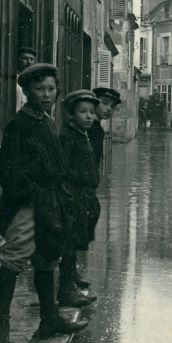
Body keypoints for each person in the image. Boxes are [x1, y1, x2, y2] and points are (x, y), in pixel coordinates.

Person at [0, 63, 88, 343]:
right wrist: (36, 197)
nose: (46, 94)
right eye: (39, 89)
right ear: (26, 91)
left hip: (50, 204)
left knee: (47, 260)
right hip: (26, 206)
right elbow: (8, 173)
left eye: (51, 89)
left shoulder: (47, 121)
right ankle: (1, 325)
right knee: (14, 261)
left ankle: (49, 318)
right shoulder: (18, 126)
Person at [58, 90, 102, 307]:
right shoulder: (67, 137)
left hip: (84, 196)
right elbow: (64, 170)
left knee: (74, 242)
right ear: (71, 115)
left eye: (92, 112)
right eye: (83, 112)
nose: (88, 116)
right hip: (74, 197)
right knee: (69, 243)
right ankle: (66, 290)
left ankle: (72, 279)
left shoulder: (82, 135)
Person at [89, 87, 121, 169]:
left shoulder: (99, 129)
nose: (109, 109)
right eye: (104, 103)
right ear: (94, 102)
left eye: (113, 106)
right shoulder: (87, 127)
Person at [15, 46, 37, 112]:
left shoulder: (34, 81)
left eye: (31, 59)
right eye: (25, 58)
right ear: (18, 60)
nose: (29, 62)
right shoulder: (13, 79)